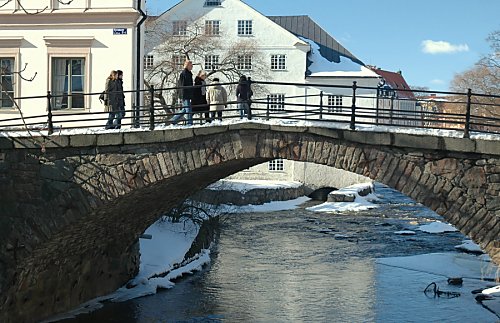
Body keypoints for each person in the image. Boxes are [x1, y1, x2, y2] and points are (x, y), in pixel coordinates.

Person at [171, 60, 194, 125]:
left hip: (187, 93)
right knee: (188, 109)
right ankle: (189, 123)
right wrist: (183, 94)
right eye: (191, 65)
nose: (192, 66)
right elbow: (182, 85)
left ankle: (173, 120)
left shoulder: (188, 73)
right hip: (185, 94)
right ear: (188, 66)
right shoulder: (184, 74)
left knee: (185, 109)